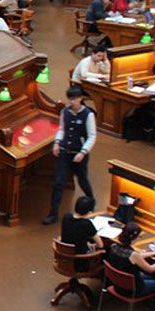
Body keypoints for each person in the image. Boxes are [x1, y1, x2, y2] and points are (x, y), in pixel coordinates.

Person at [42, 86, 97, 224]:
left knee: (83, 180)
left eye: (74, 99)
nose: (72, 102)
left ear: (80, 98)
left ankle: (92, 204)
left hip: (79, 155)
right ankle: (53, 213)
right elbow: (62, 129)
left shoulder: (88, 115)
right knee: (58, 183)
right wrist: (57, 142)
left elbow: (92, 136)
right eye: (70, 99)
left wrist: (83, 152)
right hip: (65, 152)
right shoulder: (65, 112)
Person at [103, 223, 155, 311]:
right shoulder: (133, 255)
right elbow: (150, 269)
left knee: (153, 278)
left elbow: (136, 257)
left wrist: (153, 253)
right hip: (133, 290)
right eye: (139, 237)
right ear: (134, 238)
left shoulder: (114, 246)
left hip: (118, 285)